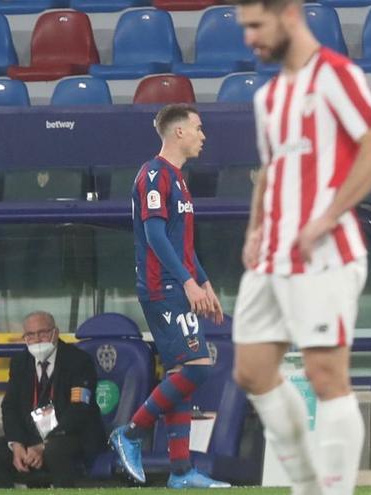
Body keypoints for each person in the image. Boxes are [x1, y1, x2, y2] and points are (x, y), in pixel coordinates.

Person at [230, 0, 371, 493]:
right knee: (252, 369)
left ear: (290, 15)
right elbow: (270, 169)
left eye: (256, 26)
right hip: (272, 254)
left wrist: (328, 215)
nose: (249, 39)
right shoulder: (269, 96)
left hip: (324, 252)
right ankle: (306, 482)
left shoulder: (334, 75)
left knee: (325, 376)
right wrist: (255, 227)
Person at [110, 104, 229, 489]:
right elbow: (157, 237)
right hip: (163, 288)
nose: (203, 135)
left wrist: (204, 281)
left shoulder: (178, 179)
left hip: (179, 286)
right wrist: (187, 282)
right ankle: (130, 433)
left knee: (183, 373)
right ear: (178, 132)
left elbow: (183, 243)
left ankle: (181, 472)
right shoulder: (154, 175)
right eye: (198, 127)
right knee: (198, 367)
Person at [0, 311, 105, 488]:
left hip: (72, 436)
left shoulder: (78, 360)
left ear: (55, 333)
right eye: (30, 334)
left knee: (55, 450)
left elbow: (79, 409)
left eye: (42, 332)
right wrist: (17, 444)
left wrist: (43, 445)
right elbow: (10, 406)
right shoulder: (20, 361)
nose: (37, 339)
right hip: (32, 439)